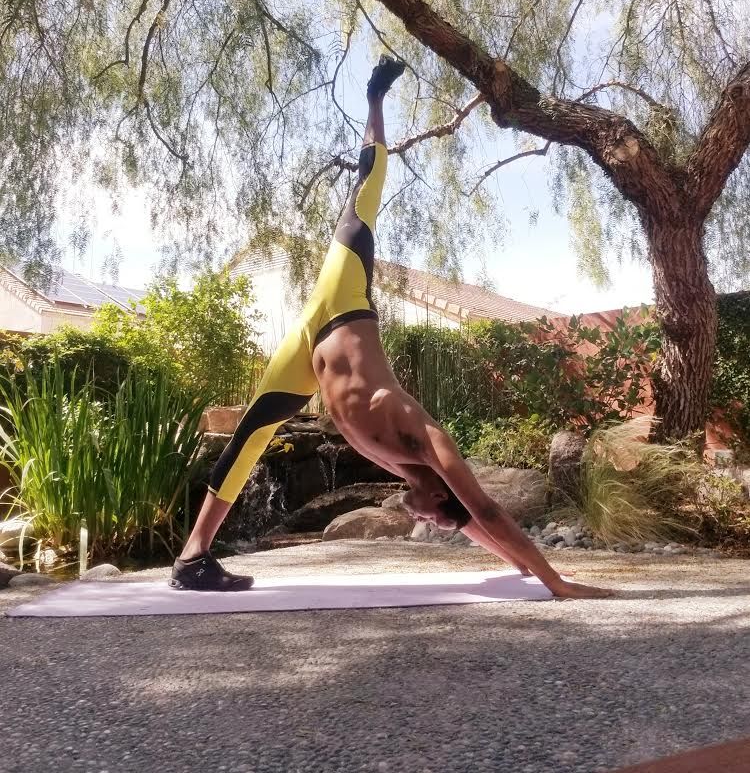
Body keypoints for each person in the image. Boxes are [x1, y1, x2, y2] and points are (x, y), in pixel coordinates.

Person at [171, 57, 611, 599]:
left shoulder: (408, 472)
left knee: (249, 436)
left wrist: (514, 564)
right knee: (364, 195)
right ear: (440, 494)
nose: (423, 520)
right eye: (435, 519)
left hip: (307, 348)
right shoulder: (428, 446)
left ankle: (192, 557)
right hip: (342, 302)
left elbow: (470, 522)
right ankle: (375, 96)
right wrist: (556, 582)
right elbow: (485, 509)